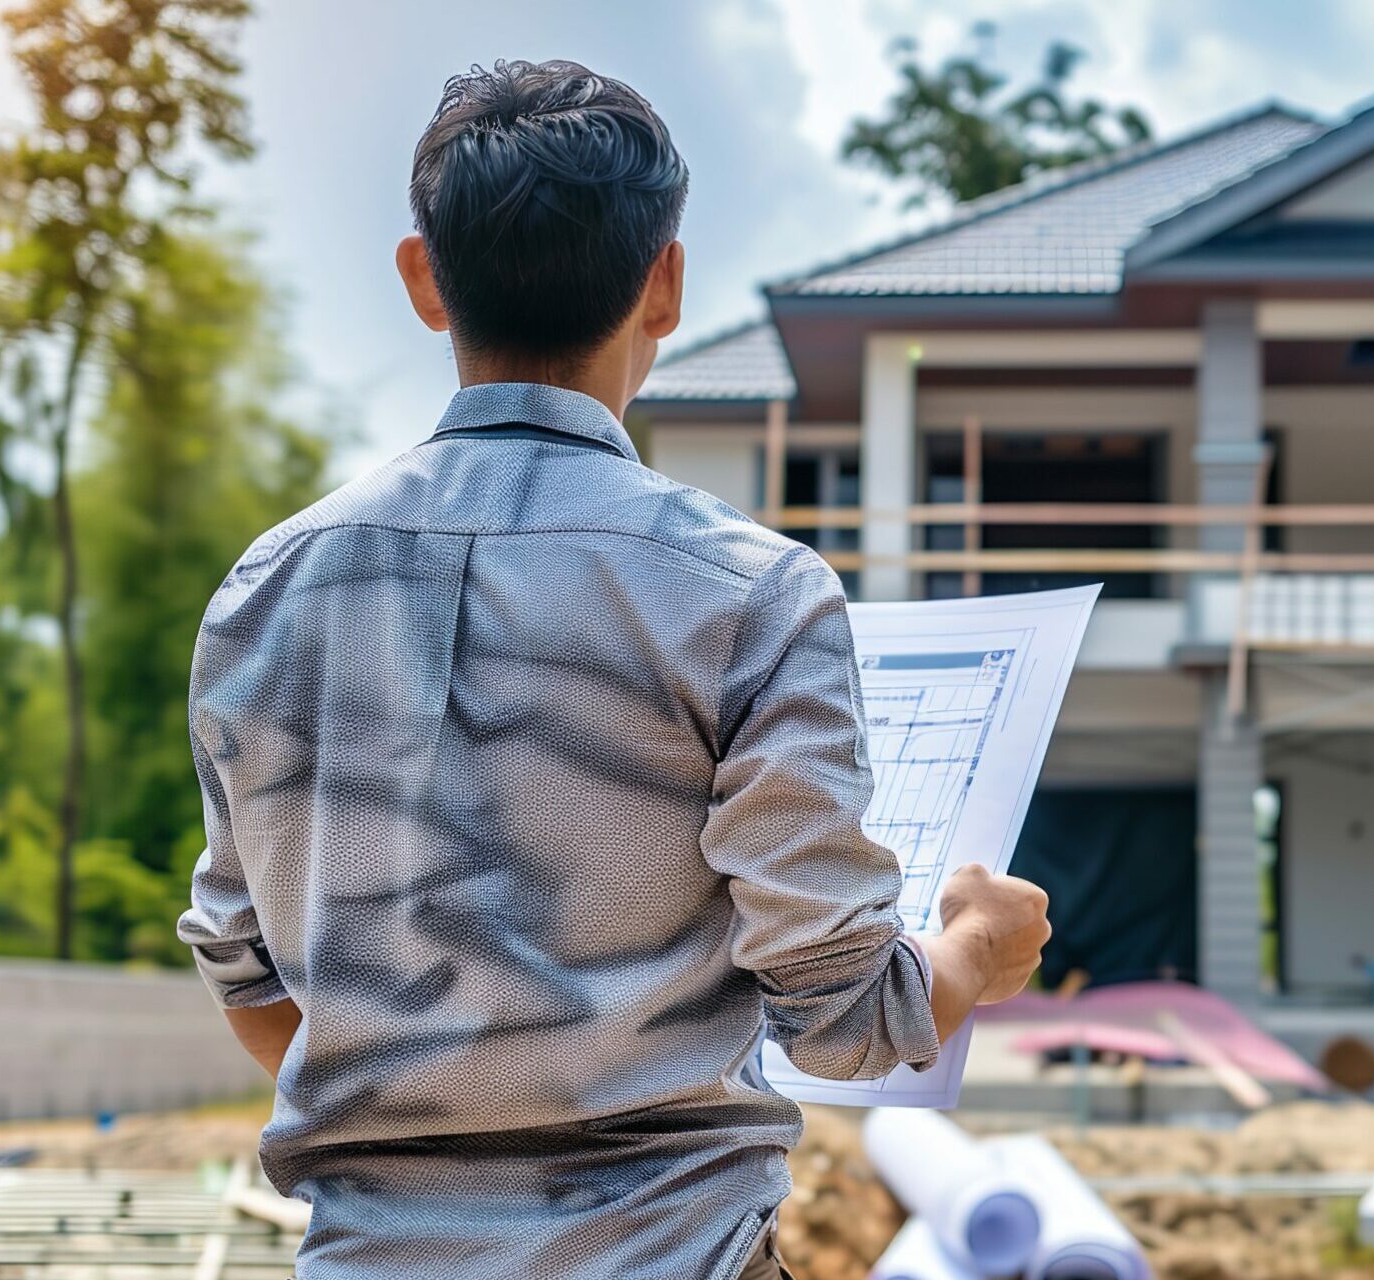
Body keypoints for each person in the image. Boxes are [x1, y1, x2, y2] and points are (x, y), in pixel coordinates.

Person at [175, 59, 1052, 1280]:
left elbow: (247, 970)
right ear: (667, 283)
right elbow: (847, 1021)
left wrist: (431, 1112)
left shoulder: (263, 593)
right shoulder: (756, 594)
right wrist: (974, 949)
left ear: (424, 279)